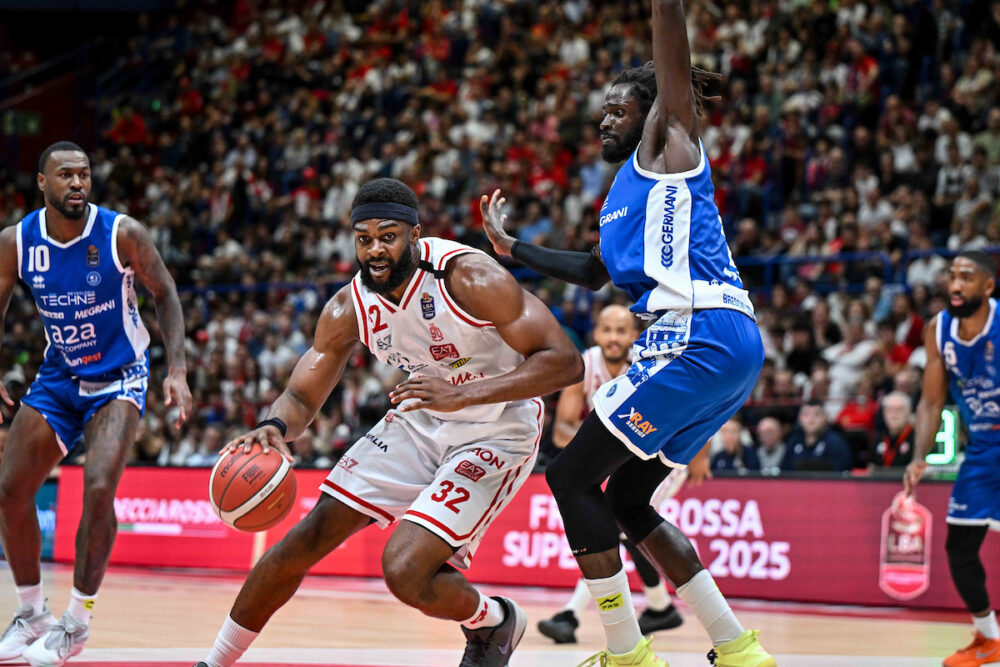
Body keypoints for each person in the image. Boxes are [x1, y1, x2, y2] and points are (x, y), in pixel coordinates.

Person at [481, 1, 774, 664]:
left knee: (568, 476)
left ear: (652, 111)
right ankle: (736, 646)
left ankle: (625, 650)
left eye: (619, 109)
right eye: (604, 112)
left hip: (697, 332)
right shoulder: (623, 194)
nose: (605, 119)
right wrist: (512, 248)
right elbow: (593, 272)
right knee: (630, 501)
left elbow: (670, 38)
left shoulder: (670, 145)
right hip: (721, 343)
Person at [192, 178, 583, 667]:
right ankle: (214, 662)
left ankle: (493, 619)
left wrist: (462, 394)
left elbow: (565, 362)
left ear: (415, 234)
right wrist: (275, 425)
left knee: (405, 572)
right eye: (364, 239)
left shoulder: (468, 277)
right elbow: (301, 395)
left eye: (388, 236)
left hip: (498, 426)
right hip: (421, 419)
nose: (375, 249)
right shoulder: (348, 307)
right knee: (305, 538)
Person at [0, 141, 192, 666]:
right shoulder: (18, 241)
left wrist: (176, 369)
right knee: (10, 490)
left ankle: (76, 623)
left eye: (84, 174)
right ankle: (32, 614)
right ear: (42, 182)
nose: (77, 183)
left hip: (118, 377)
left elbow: (165, 292)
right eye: (65, 175)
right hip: (60, 376)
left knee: (100, 487)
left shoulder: (121, 233)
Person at [538, 305, 684, 644]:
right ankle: (661, 607)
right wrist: (601, 447)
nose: (614, 338)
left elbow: (685, 406)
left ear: (634, 334)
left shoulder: (649, 361)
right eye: (607, 330)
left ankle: (572, 614)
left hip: (657, 459)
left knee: (614, 523)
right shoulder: (585, 364)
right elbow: (561, 430)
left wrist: (701, 456)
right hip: (619, 460)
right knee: (623, 527)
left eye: (621, 330)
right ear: (596, 333)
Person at [905, 252, 1000, 667]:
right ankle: (989, 638)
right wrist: (919, 457)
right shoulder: (938, 329)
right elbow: (931, 400)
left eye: (967, 277)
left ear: (988, 286)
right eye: (952, 276)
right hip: (981, 450)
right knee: (959, 549)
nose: (956, 284)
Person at [781, 399, 852, 472]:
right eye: (806, 414)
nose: (811, 419)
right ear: (799, 418)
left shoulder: (836, 443)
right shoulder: (794, 441)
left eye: (816, 414)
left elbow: (841, 472)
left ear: (825, 417)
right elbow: (783, 471)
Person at [869, 391, 916, 471]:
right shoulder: (878, 438)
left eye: (899, 409)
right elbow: (870, 468)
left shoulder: (917, 440)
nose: (894, 414)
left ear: (909, 412)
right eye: (889, 409)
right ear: (884, 413)